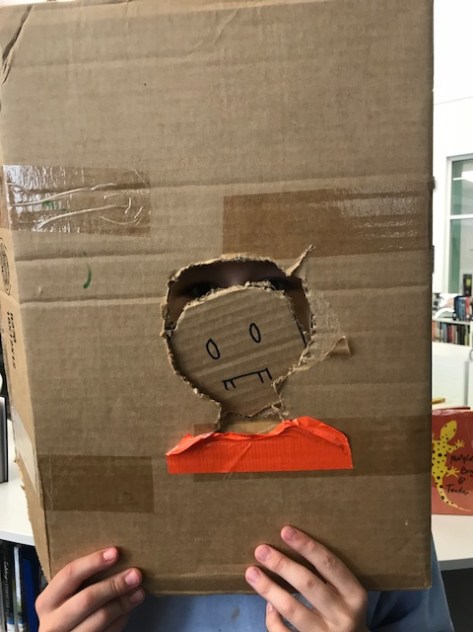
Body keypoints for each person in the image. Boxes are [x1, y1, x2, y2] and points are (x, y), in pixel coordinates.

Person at [36, 261, 454, 631]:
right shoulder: (98, 515)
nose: (238, 319)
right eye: (201, 290)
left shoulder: (379, 503)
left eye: (274, 284)